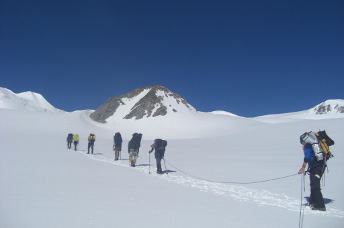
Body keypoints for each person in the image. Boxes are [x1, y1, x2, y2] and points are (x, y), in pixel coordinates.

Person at [298, 133, 326, 211]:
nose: (302, 144)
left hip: (316, 167)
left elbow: (306, 157)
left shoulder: (308, 145)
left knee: (315, 186)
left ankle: (320, 205)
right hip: (320, 167)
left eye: (302, 142)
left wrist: (303, 167)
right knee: (313, 184)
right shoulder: (314, 145)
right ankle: (312, 202)